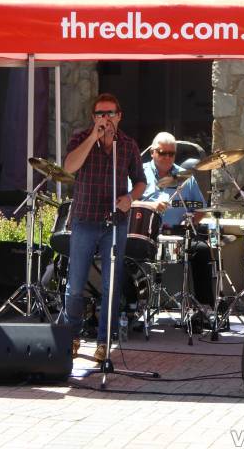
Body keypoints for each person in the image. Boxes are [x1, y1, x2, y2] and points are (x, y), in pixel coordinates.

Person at [62, 93, 147, 361]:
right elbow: (69, 167)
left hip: (115, 223)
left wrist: (130, 199)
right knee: (75, 285)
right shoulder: (80, 138)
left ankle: (103, 342)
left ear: (119, 116)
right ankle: (71, 336)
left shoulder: (128, 145)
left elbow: (141, 181)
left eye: (110, 113)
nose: (105, 118)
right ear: (93, 117)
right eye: (100, 114)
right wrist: (93, 139)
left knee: (112, 285)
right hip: (85, 219)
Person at [140, 131, 214, 304]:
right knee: (124, 251)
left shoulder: (185, 177)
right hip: (146, 233)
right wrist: (151, 206)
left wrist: (190, 221)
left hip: (178, 233)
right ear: (152, 152)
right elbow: (129, 203)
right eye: (162, 152)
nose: (167, 157)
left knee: (202, 250)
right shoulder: (139, 174)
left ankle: (205, 308)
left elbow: (200, 208)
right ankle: (129, 307)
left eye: (171, 153)